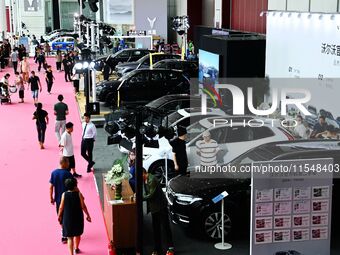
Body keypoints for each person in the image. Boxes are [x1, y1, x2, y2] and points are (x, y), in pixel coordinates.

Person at [143, 169, 174, 255]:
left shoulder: (152, 179)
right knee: (156, 228)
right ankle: (157, 248)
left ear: (144, 173)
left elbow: (151, 195)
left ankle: (170, 248)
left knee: (165, 227)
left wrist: (140, 197)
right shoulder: (145, 179)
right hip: (154, 208)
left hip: (161, 207)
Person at [58, 178, 91, 255]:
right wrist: (88, 215)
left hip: (67, 218)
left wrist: (59, 216)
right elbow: (83, 206)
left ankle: (71, 253)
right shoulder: (79, 194)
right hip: (78, 217)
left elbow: (61, 207)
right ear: (75, 185)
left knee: (69, 237)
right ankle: (76, 248)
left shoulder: (64, 194)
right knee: (77, 234)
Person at [49, 157, 74, 244]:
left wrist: (51, 197)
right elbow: (74, 187)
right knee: (68, 215)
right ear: (64, 163)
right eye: (67, 163)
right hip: (68, 199)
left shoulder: (54, 173)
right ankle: (68, 232)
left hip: (58, 200)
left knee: (60, 215)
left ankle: (63, 232)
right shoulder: (68, 174)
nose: (68, 165)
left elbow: (51, 187)